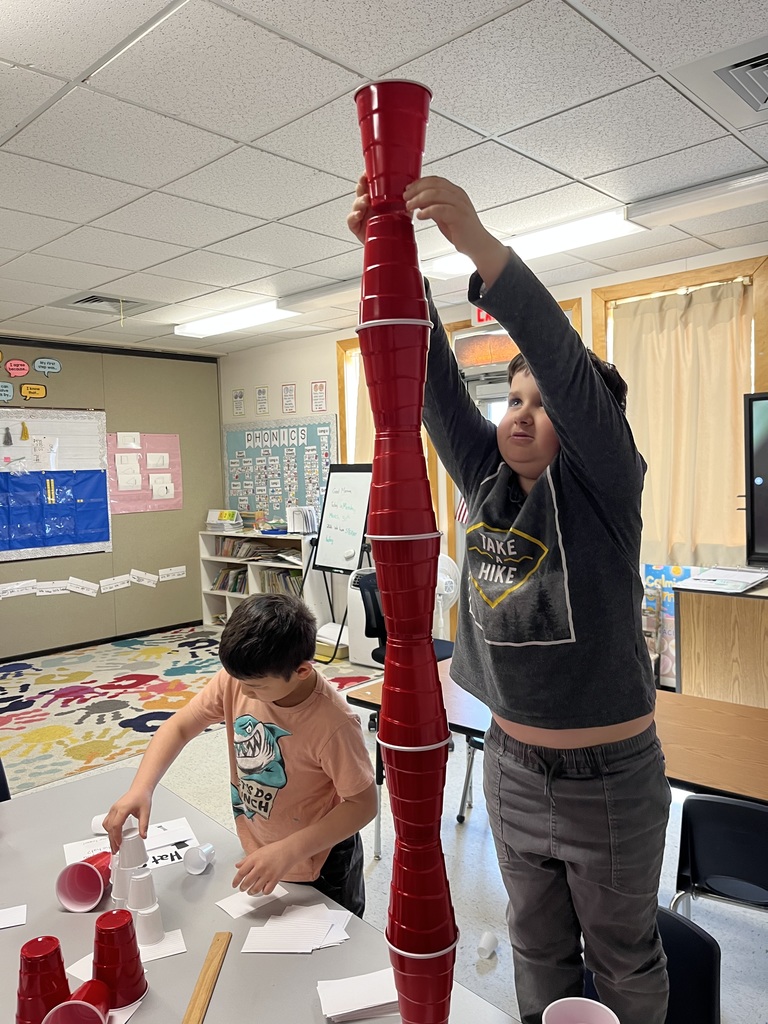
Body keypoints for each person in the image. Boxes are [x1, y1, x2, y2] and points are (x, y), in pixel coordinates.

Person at [349, 176, 671, 1023]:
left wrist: (483, 250)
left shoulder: (603, 487)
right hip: (513, 766)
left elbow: (566, 364)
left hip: (609, 779)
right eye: (512, 399)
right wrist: (392, 258)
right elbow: (430, 377)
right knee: (536, 949)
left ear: (583, 421)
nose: (520, 415)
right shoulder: (486, 474)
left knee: (623, 961)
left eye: (542, 404)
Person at [103, 593, 377, 917]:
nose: (244, 692)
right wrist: (142, 788)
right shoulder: (239, 680)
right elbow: (179, 727)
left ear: (302, 671)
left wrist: (288, 851)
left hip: (323, 858)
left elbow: (363, 804)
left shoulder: (334, 724)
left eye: (256, 686)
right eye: (238, 680)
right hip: (266, 842)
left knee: (336, 944)